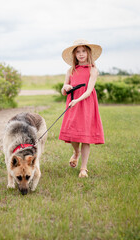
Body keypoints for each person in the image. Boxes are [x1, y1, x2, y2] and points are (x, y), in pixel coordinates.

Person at [59, 39, 105, 178]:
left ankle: (83, 168)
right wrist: (65, 88)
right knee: (73, 134)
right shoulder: (70, 70)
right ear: (74, 55)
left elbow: (89, 90)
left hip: (86, 104)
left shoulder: (93, 70)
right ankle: (76, 152)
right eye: (78, 52)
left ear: (88, 52)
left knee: (85, 137)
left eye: (83, 51)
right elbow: (63, 90)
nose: (81, 54)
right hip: (72, 104)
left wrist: (77, 100)